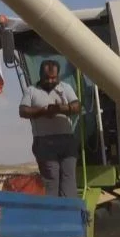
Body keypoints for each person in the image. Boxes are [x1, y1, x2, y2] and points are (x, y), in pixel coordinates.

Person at [18, 59, 81, 198]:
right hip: (45, 142)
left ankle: (69, 213)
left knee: (68, 179)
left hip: (66, 141)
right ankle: (53, 213)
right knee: (52, 179)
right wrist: (43, 112)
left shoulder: (65, 88)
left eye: (54, 78)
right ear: (40, 76)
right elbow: (23, 111)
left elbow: (76, 106)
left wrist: (61, 108)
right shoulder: (31, 91)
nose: (51, 81)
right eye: (48, 78)